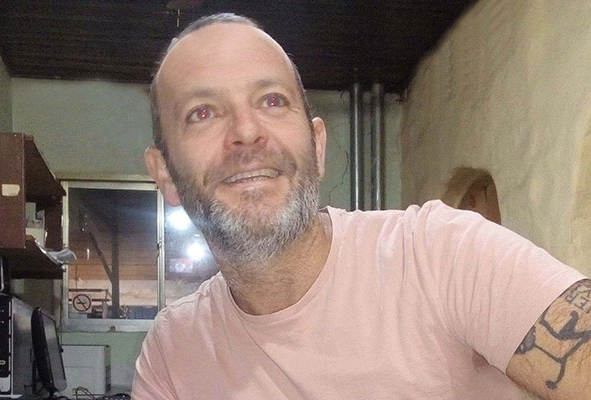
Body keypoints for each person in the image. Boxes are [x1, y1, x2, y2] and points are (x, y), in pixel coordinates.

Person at [132, 13, 591, 399]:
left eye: (272, 101)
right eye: (203, 113)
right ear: (165, 172)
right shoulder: (173, 352)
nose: (247, 131)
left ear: (317, 146)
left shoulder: (440, 253)